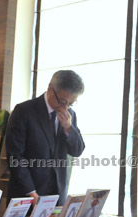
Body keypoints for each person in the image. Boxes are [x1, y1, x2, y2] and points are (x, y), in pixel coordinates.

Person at [6, 70, 85, 205]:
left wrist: (68, 128)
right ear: (50, 89)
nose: (65, 107)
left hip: (57, 195)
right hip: (28, 194)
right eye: (62, 101)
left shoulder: (70, 115)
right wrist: (31, 192)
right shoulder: (24, 111)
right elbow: (15, 156)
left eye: (70, 103)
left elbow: (77, 151)